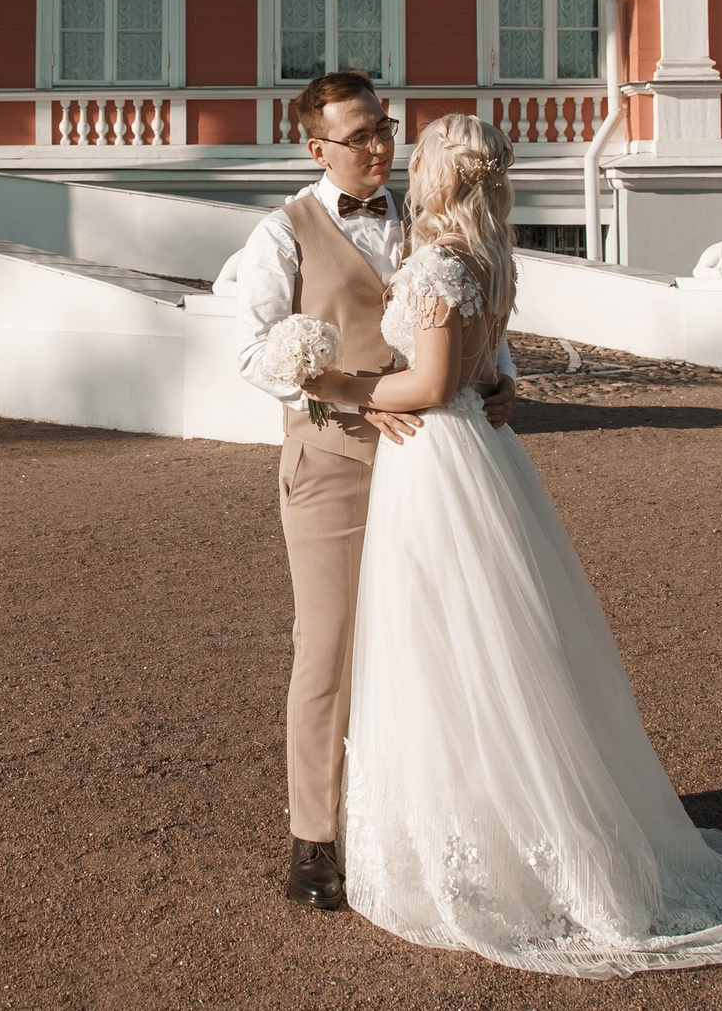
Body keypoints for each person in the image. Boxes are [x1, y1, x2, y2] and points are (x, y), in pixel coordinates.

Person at [318, 112, 722, 974]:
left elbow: (436, 380)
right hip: (483, 453)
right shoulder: (490, 259)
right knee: (499, 641)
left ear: (440, 175)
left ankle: (498, 840)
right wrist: (499, 380)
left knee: (451, 644)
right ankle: (500, 814)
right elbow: (486, 369)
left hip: (437, 457)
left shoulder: (442, 261)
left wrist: (343, 384)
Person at [231, 72, 516, 911]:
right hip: (334, 464)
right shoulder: (279, 235)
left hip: (434, 464)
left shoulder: (427, 218)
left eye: (386, 128)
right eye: (361, 136)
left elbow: (466, 313)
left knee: (436, 641)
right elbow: (254, 355)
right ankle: (313, 839)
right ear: (317, 147)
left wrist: (503, 376)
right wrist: (334, 395)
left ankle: (428, 819)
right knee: (329, 646)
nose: (382, 146)